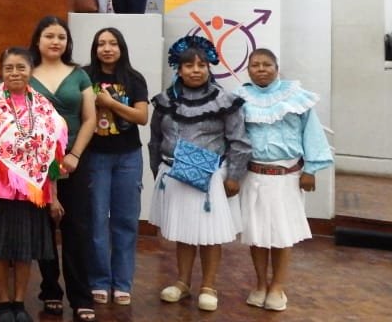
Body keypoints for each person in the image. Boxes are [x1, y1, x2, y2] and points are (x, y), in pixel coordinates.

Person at [0, 47, 68, 322]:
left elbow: (52, 155)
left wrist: (53, 196)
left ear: (31, 70)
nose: (15, 73)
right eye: (9, 67)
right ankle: (3, 303)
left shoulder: (43, 106)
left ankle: (19, 303)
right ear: (2, 71)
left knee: (24, 251)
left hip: (32, 193)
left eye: (21, 67)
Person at [149, 36, 251, 313]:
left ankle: (208, 286)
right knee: (183, 231)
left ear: (209, 67)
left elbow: (239, 141)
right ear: (178, 69)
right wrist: (157, 168)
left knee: (209, 234)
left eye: (202, 65)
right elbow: (155, 138)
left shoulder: (225, 101)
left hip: (211, 177)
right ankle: (182, 282)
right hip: (174, 175)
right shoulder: (165, 100)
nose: (196, 70)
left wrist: (234, 177)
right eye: (189, 65)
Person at [234, 49, 333, 313]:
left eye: (267, 64)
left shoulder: (296, 98)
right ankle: (260, 284)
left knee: (281, 233)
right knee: (256, 233)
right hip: (253, 175)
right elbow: (232, 137)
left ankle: (277, 286)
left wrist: (311, 169)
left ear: (277, 68)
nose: (261, 69)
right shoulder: (239, 99)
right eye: (255, 65)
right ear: (249, 70)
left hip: (287, 177)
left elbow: (311, 134)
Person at [28, 16, 97, 322]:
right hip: (35, 166)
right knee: (42, 229)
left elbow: (90, 119)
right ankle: (50, 291)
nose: (56, 42)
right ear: (38, 41)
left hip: (74, 162)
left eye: (61, 37)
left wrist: (75, 155)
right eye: (49, 36)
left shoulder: (79, 74)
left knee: (77, 229)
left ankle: (81, 296)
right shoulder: (27, 74)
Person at [83, 27, 149, 307]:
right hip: (95, 157)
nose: (107, 48)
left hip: (128, 158)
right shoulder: (85, 76)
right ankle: (99, 281)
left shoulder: (134, 79)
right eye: (101, 44)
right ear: (95, 49)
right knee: (96, 221)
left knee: (125, 221)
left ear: (121, 47)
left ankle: (122, 283)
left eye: (112, 43)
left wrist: (110, 103)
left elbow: (142, 116)